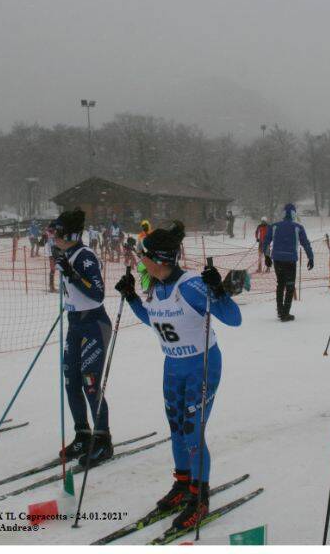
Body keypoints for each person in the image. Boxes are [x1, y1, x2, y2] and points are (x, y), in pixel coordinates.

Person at [114, 221, 242, 530]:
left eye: (143, 257)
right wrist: (132, 297)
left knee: (191, 430)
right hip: (172, 365)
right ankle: (183, 484)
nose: (139, 261)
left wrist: (219, 291)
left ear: (160, 259)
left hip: (201, 366)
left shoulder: (191, 286)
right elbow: (156, 321)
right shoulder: (157, 286)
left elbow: (234, 319)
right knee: (176, 428)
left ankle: (200, 497)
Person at [52, 209, 114, 466]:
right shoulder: (65, 253)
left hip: (94, 325)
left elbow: (97, 294)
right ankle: (83, 435)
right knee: (71, 381)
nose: (52, 236)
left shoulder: (85, 256)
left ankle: (103, 441)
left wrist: (73, 275)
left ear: (68, 234)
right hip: (75, 324)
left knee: (90, 382)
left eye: (56, 232)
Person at [262, 203, 314, 321]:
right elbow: (305, 243)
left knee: (280, 284)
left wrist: (267, 256)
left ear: (283, 213)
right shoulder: (298, 227)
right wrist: (310, 257)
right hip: (290, 260)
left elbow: (266, 242)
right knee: (290, 286)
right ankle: (285, 313)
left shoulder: (274, 226)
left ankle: (280, 311)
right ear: (294, 214)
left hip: (278, 260)